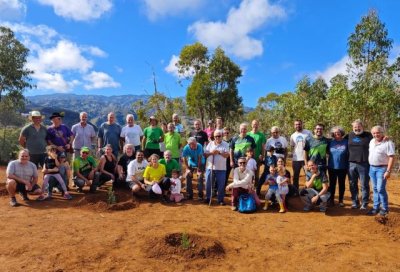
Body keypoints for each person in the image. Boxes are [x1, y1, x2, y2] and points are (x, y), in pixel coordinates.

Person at [367, 126, 395, 216]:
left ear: (382, 133)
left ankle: (385, 208)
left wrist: (388, 171)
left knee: (380, 189)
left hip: (382, 169)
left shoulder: (388, 142)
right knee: (375, 189)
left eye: (378, 132)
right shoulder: (371, 141)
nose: (376, 134)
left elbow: (391, 157)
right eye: (374, 133)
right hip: (372, 168)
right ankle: (375, 207)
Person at [347, 119, 373, 210]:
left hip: (364, 164)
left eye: (358, 126)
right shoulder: (349, 135)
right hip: (351, 164)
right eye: (355, 127)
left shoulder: (368, 135)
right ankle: (355, 202)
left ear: (362, 127)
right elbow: (338, 139)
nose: (357, 128)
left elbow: (379, 138)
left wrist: (386, 138)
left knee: (364, 184)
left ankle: (364, 203)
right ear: (352, 127)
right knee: (352, 183)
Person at [204, 130, 230, 205]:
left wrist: (219, 152)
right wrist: (212, 153)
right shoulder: (210, 144)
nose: (217, 138)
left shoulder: (226, 144)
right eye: (215, 136)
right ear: (214, 137)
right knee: (208, 183)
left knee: (221, 185)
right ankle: (208, 197)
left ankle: (220, 199)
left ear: (222, 136)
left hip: (221, 168)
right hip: (210, 167)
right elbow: (205, 154)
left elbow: (227, 155)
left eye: (219, 136)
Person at [327, 126, 348, 207]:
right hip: (332, 167)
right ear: (333, 134)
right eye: (335, 132)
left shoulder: (346, 141)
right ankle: (331, 200)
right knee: (332, 184)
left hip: (343, 167)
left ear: (341, 133)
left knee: (341, 184)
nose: (337, 133)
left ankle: (340, 200)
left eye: (338, 132)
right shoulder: (330, 142)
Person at [290, 119, 312, 192]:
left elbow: (312, 143)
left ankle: (309, 191)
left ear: (302, 124)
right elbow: (292, 147)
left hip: (307, 158)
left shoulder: (308, 133)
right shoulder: (293, 135)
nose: (298, 125)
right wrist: (293, 158)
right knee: (296, 176)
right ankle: (295, 191)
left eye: (299, 124)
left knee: (308, 175)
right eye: (296, 124)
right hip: (296, 159)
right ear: (294, 125)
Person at [247, 120, 266, 184]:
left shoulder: (261, 135)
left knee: (256, 173)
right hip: (248, 157)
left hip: (257, 157)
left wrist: (262, 156)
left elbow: (263, 147)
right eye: (254, 124)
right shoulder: (248, 134)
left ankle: (256, 189)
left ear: (258, 125)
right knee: (248, 173)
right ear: (251, 125)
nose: (255, 125)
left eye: (256, 124)